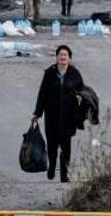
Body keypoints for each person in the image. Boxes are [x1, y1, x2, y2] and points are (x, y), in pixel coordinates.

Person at [31, 44, 85, 183]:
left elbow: (82, 92)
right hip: (52, 115)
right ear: (56, 57)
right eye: (60, 55)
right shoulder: (49, 73)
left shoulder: (75, 74)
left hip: (68, 116)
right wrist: (37, 113)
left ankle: (64, 174)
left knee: (66, 146)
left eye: (65, 55)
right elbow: (42, 94)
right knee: (52, 144)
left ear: (69, 58)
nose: (62, 57)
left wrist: (82, 106)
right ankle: (52, 166)